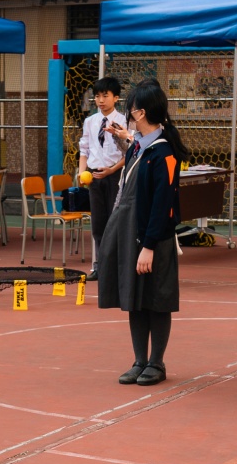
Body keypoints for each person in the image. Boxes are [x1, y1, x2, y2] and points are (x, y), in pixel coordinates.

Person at [95, 78, 183, 387]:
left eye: (131, 109)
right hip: (134, 235)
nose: (128, 113)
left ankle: (156, 362)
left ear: (141, 112)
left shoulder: (164, 153)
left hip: (153, 239)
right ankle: (139, 361)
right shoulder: (139, 147)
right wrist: (125, 139)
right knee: (134, 298)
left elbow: (163, 205)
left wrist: (149, 245)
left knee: (157, 300)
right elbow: (135, 150)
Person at [78, 76, 130, 248]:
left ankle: (114, 260)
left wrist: (112, 169)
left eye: (105, 96)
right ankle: (100, 260)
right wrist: (82, 172)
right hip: (94, 175)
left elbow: (130, 152)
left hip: (115, 175)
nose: (100, 100)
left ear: (116, 98)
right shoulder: (90, 121)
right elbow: (84, 150)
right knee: (98, 222)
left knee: (114, 219)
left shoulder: (124, 121)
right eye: (97, 96)